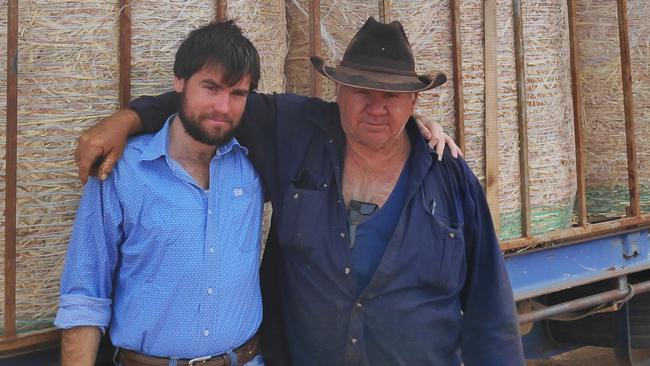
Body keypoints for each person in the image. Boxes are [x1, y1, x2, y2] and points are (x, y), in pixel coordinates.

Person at [76, 17, 523, 366]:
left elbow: (490, 305)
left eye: (391, 95)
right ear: (338, 90)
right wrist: (129, 120)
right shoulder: (293, 132)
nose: (376, 106)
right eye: (362, 90)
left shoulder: (449, 175)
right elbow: (212, 105)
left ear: (414, 102)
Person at [54, 21, 265, 366]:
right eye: (210, 88)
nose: (223, 107)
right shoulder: (122, 171)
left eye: (237, 94)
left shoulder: (254, 165)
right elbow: (84, 294)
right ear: (178, 83)